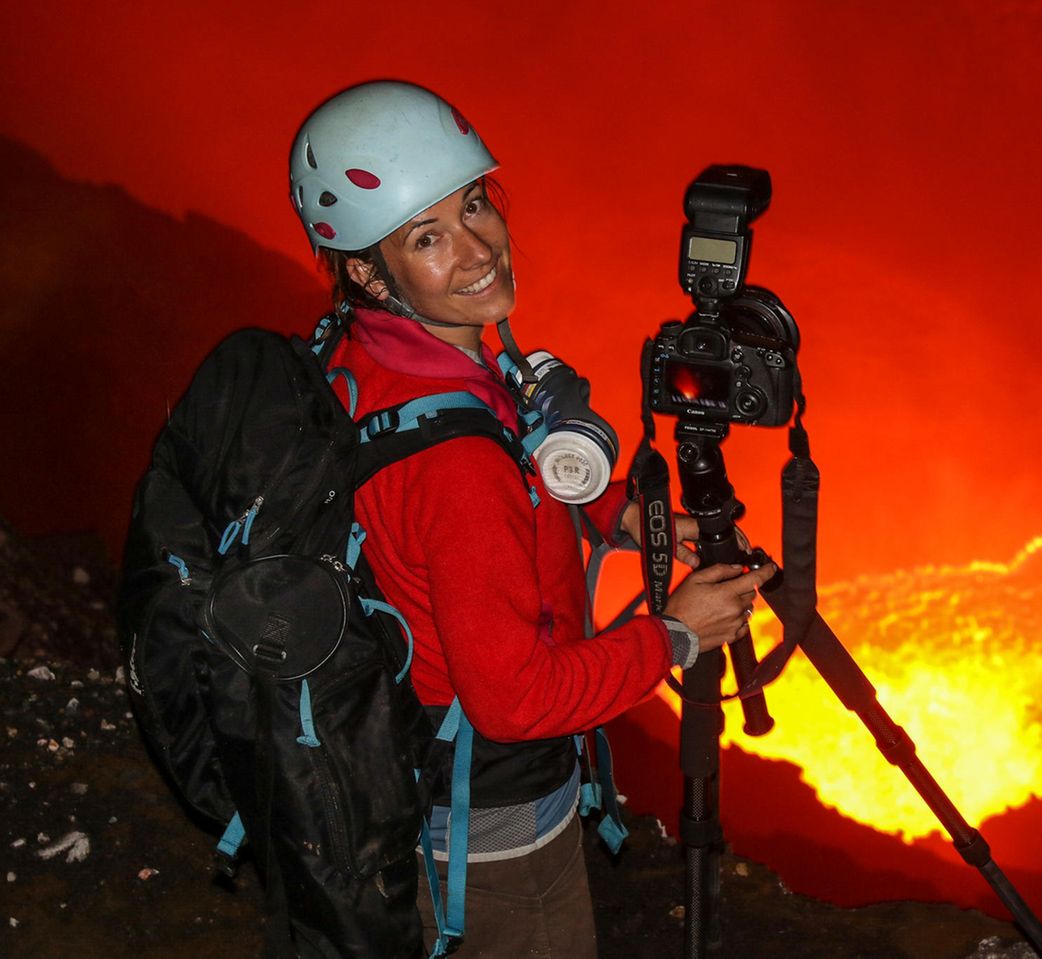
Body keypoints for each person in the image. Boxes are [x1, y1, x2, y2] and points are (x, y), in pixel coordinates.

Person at [288, 80, 773, 957]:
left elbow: (484, 496)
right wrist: (679, 633)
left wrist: (616, 512)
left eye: (474, 206)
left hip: (407, 769)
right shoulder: (456, 465)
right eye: (427, 237)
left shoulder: (379, 359)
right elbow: (515, 700)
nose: (478, 250)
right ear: (366, 269)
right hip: (491, 825)